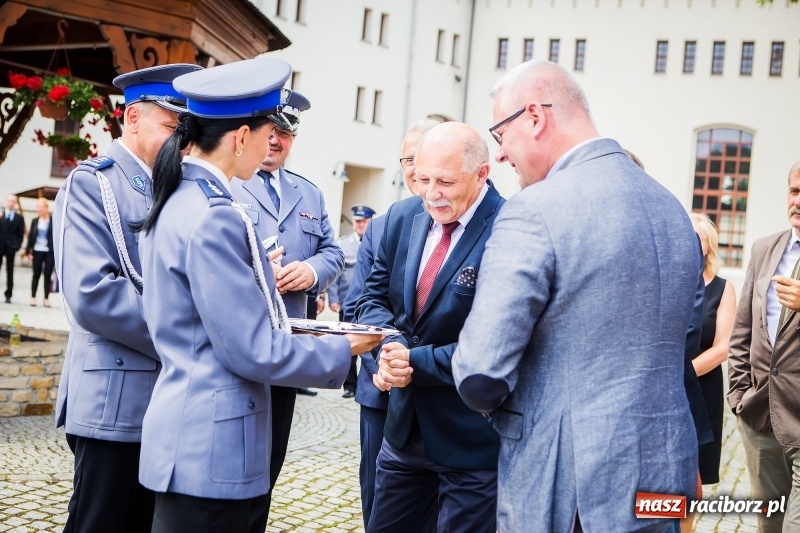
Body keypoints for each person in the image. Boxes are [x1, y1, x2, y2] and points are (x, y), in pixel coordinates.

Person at [450, 59, 700, 532]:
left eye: (500, 137)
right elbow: (684, 337)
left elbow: (481, 369)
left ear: (535, 117)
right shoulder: (670, 207)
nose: (501, 156)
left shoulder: (536, 209)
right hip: (664, 479)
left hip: (571, 490)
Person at [135, 57, 381, 533]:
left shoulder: (179, 197)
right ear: (240, 137)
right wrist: (341, 348)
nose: (273, 144)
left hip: (188, 435)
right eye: (268, 133)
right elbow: (251, 347)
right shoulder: (216, 214)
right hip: (213, 442)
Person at [52, 63, 202, 533]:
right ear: (133, 118)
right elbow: (92, 293)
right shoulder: (93, 183)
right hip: (113, 397)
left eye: (185, 130)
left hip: (166, 398)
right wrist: (188, 338)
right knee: (101, 522)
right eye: (170, 127)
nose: (180, 140)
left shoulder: (174, 186)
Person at [356, 121, 505, 532]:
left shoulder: (510, 230)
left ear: (481, 175)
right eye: (422, 178)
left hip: (472, 437)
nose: (430, 193)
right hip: (403, 431)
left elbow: (496, 340)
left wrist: (414, 362)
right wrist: (389, 350)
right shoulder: (403, 216)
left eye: (444, 181)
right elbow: (372, 299)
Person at [229, 88, 342, 524]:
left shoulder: (308, 193)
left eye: (285, 134)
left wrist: (312, 272)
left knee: (272, 456)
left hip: (290, 342)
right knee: (235, 451)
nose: (275, 141)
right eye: (270, 131)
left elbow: (333, 252)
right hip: (241, 342)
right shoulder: (229, 181)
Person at [341, 116, 440, 529]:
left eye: (423, 158)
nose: (416, 170)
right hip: (381, 388)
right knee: (380, 497)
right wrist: (390, 360)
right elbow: (359, 303)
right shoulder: (384, 225)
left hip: (441, 390)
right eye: (408, 160)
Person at [728, 161, 800, 533]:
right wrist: (739, 393)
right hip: (760, 415)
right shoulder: (764, 248)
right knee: (770, 524)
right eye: (794, 191)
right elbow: (743, 330)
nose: (797, 202)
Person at [330, 204, 375, 398]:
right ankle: (349, 385)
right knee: (349, 344)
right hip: (348, 302)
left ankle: (370, 382)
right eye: (357, 221)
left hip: (371, 303)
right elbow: (336, 273)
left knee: (369, 343)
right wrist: (333, 298)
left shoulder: (378, 242)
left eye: (364, 221)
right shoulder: (343, 243)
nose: (360, 225)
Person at [24, 198, 54, 307]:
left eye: (42, 207)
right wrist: (28, 251)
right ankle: (33, 297)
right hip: (37, 251)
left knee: (47, 275)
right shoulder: (35, 221)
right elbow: (31, 237)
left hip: (49, 251)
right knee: (36, 275)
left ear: (47, 208)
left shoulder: (53, 220)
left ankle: (46, 299)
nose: (39, 209)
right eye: (38, 207)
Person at [0, 194, 25, 303]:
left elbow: (20, 234)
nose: (11, 203)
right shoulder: (1, 215)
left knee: (10, 271)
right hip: (0, 246)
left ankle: (8, 294)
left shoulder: (19, 218)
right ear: (6, 202)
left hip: (11, 247)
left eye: (13, 201)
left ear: (15, 203)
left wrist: (17, 246)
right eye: (9, 201)